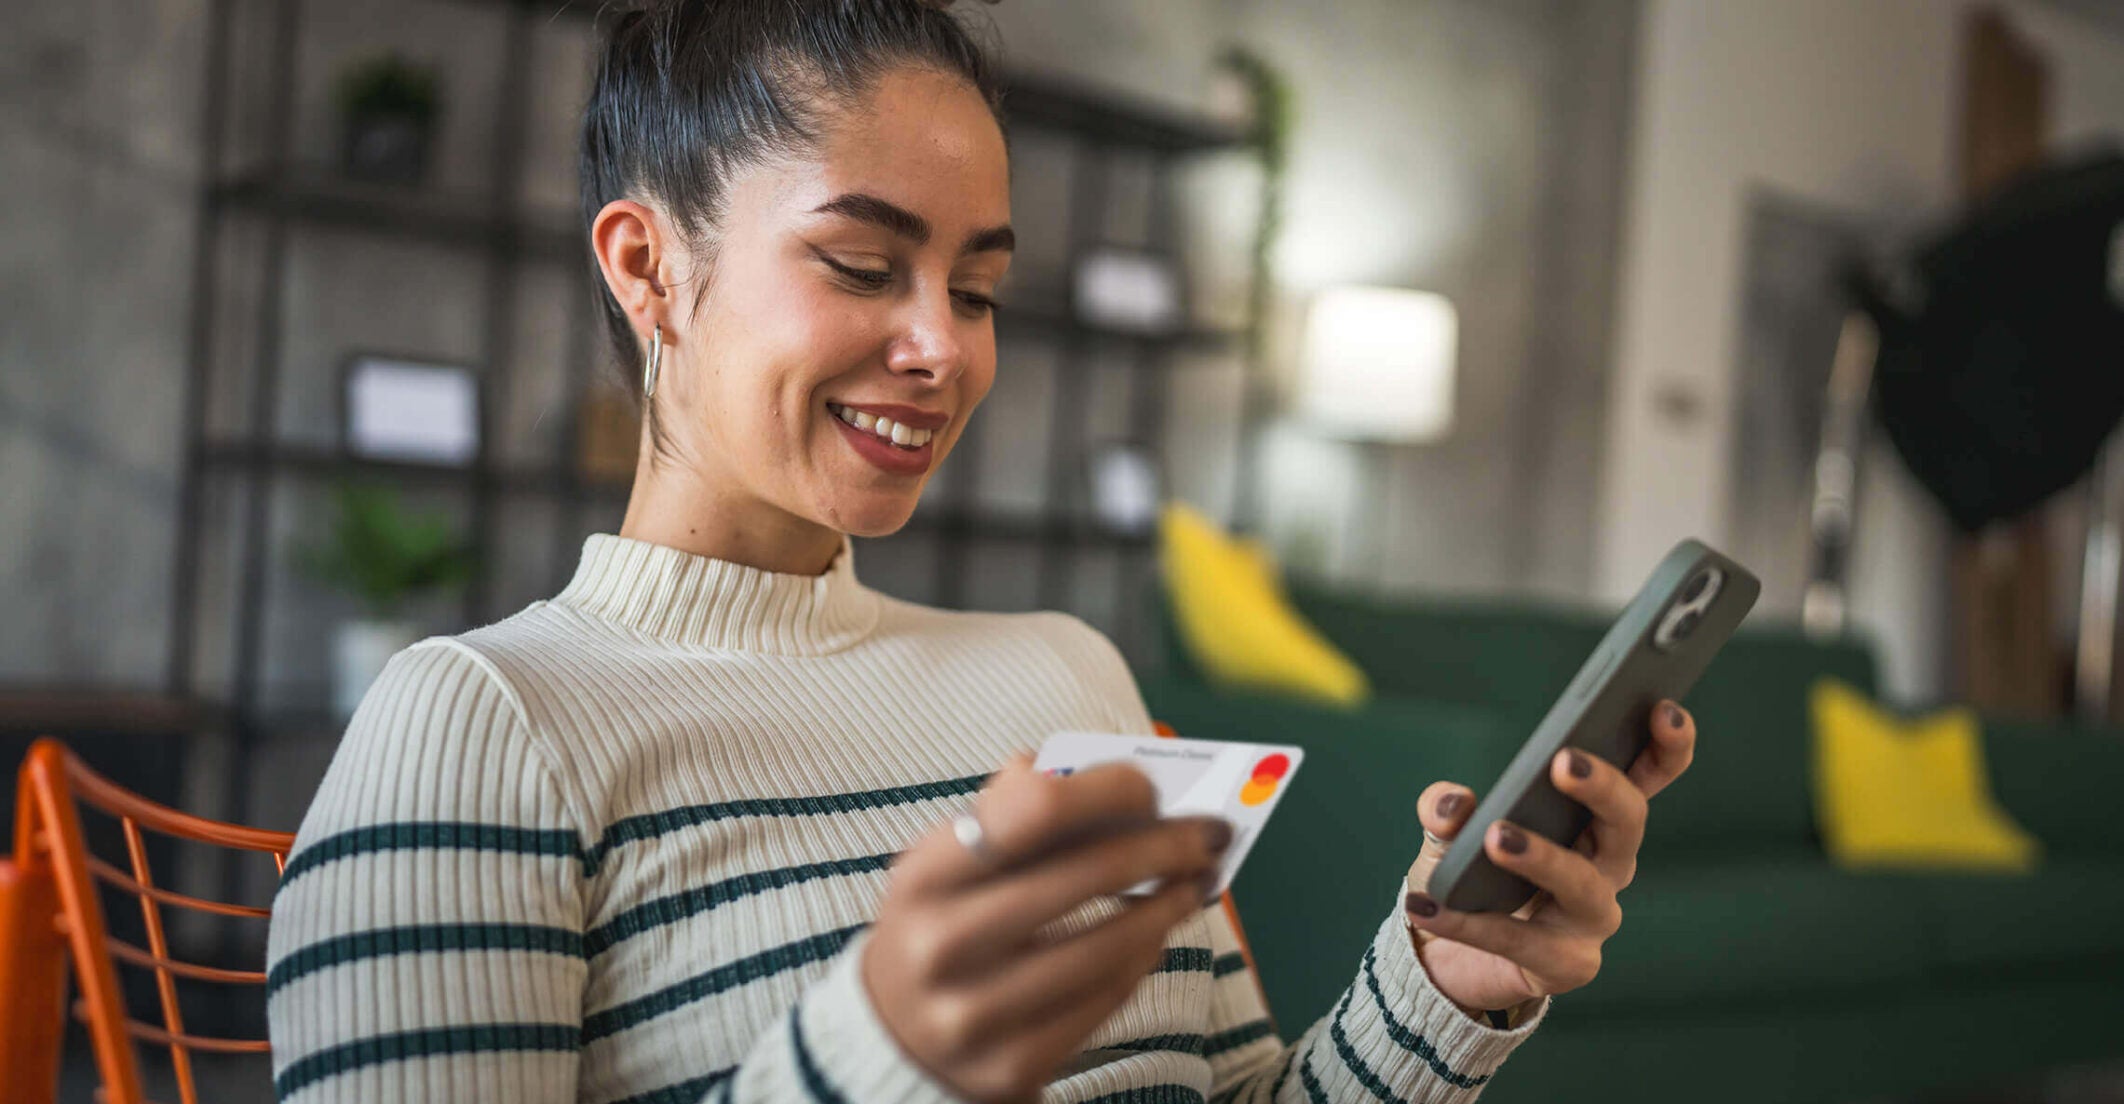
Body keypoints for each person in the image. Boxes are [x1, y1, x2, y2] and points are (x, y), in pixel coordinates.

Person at [264, 1, 1699, 1101]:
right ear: (649, 267)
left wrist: (1444, 979)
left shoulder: (1069, 676)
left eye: (981, 285)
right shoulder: (487, 725)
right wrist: (869, 1052)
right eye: (861, 265)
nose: (943, 347)